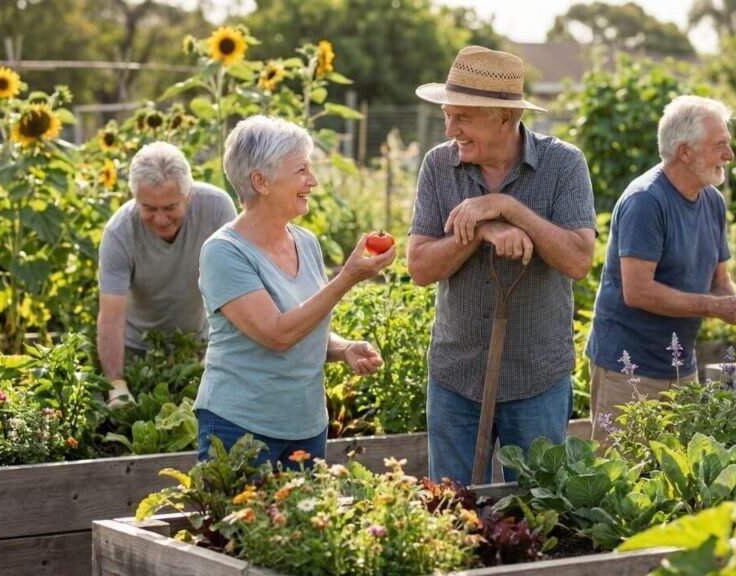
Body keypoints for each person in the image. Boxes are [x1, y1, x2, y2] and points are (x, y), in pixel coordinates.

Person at [408, 46, 597, 484]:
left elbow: (578, 260)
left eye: (463, 117)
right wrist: (479, 230)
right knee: (451, 516)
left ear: (505, 118)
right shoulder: (439, 165)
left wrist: (508, 208)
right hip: (456, 375)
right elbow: (419, 267)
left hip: (536, 377)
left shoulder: (563, 164)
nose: (451, 128)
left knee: (535, 516)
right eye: (448, 115)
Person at [194, 115, 395, 468]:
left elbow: (305, 324)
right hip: (240, 428)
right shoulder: (223, 252)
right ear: (261, 181)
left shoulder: (306, 243)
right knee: (241, 524)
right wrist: (347, 278)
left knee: (302, 525)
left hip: (306, 426)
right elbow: (277, 334)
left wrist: (343, 348)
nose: (313, 181)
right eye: (301, 170)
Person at [585, 95, 736, 446]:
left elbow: (720, 282)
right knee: (621, 482)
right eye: (720, 146)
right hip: (628, 367)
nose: (729, 156)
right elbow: (637, 291)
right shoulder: (646, 201)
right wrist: (718, 307)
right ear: (684, 151)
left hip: (679, 365)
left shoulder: (712, 201)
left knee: (676, 482)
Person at [98, 141, 237, 408]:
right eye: (149, 208)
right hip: (139, 354)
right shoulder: (119, 232)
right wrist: (117, 384)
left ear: (188, 195)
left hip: (200, 346)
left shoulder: (217, 210)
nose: (160, 219)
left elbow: (235, 288)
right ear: (135, 197)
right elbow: (111, 317)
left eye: (170, 207)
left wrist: (225, 354)